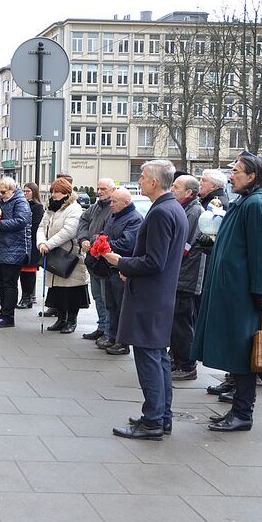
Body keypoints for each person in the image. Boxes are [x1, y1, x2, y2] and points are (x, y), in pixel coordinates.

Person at [191, 153, 262, 432]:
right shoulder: (245, 201)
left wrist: (259, 292)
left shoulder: (256, 204)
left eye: (237, 171)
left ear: (252, 176)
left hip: (245, 294)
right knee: (238, 351)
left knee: (243, 352)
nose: (231, 177)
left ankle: (243, 414)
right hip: (235, 291)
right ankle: (238, 411)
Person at [105, 160, 187, 440]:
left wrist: (122, 262)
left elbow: (154, 261)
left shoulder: (162, 211)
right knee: (158, 357)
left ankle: (152, 421)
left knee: (149, 358)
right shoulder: (172, 207)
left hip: (149, 297)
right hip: (158, 295)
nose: (138, 181)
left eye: (142, 177)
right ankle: (161, 416)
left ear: (154, 182)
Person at [167, 175, 207, 379]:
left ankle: (187, 365)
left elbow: (185, 245)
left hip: (186, 276)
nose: (172, 189)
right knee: (176, 322)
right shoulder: (185, 208)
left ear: (189, 192)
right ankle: (176, 359)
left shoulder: (195, 211)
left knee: (183, 323)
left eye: (176, 187)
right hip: (180, 275)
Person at [37, 178, 88, 333]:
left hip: (69, 255)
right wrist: (41, 243)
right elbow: (41, 227)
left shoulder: (74, 208)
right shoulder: (51, 208)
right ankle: (61, 318)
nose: (53, 195)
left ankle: (71, 320)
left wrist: (48, 244)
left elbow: (69, 231)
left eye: (56, 192)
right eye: (52, 191)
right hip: (54, 254)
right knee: (57, 290)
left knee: (71, 290)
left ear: (66, 193)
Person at [96, 188, 142, 354]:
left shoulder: (134, 219)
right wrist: (99, 242)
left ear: (126, 203)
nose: (111, 204)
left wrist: (105, 247)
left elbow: (127, 243)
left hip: (121, 268)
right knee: (111, 305)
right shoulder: (114, 216)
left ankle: (123, 342)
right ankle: (112, 337)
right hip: (110, 267)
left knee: (122, 307)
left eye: (115, 202)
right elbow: (104, 235)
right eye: (111, 201)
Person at [0, 177, 31, 328]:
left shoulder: (20, 202)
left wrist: (0, 225)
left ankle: (8, 316)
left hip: (14, 249)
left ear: (12, 190)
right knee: (2, 284)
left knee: (9, 284)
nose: (0, 194)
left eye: (3, 192)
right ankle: (3, 313)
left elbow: (22, 221)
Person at [77, 179, 116, 342]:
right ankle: (101, 327)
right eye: (98, 188)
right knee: (97, 296)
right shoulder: (94, 207)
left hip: (105, 261)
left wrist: (92, 241)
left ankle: (108, 331)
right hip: (93, 259)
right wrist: (83, 238)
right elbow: (83, 221)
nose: (99, 192)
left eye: (103, 189)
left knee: (106, 298)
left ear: (113, 190)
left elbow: (109, 233)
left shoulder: (114, 208)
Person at [16, 182, 44, 309]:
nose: (25, 193)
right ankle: (25, 297)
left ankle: (28, 297)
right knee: (23, 272)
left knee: (29, 272)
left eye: (28, 191)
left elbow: (35, 225)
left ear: (34, 192)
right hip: (22, 242)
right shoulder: (23, 204)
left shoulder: (37, 207)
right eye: (24, 191)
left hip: (32, 243)